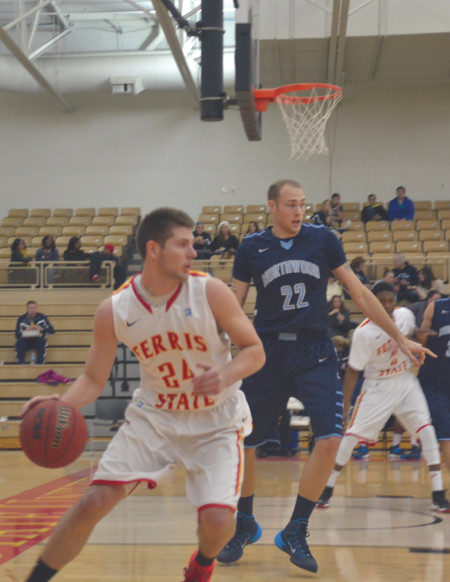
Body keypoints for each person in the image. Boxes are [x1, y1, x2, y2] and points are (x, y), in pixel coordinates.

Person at [17, 207, 265, 582]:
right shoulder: (115, 309)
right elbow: (92, 378)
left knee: (218, 525)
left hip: (216, 420)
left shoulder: (210, 291)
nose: (193, 252)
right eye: (182, 245)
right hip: (155, 418)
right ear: (154, 249)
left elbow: (255, 351)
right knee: (92, 502)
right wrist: (58, 404)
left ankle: (202, 564)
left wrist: (225, 374)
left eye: (192, 244)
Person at [217, 179, 433, 573]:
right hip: (266, 351)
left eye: (302, 204)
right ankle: (245, 523)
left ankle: (296, 528)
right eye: (291, 205)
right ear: (272, 207)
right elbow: (235, 301)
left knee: (331, 439)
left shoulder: (323, 240)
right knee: (245, 443)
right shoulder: (251, 248)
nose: (299, 211)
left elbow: (361, 293)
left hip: (315, 351)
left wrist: (399, 336)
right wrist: (219, 344)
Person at [316, 282, 449, 513]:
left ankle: (438, 495)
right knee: (350, 438)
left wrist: (418, 334)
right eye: (382, 301)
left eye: (391, 300)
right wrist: (345, 405)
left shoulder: (405, 315)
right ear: (373, 302)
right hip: (377, 385)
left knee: (427, 432)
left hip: (405, 381)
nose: (387, 305)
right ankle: (327, 489)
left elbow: (410, 335)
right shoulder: (363, 333)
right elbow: (353, 371)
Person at [418, 297, 450, 473]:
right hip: (435, 382)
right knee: (446, 434)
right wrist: (421, 336)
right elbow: (421, 341)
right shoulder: (435, 307)